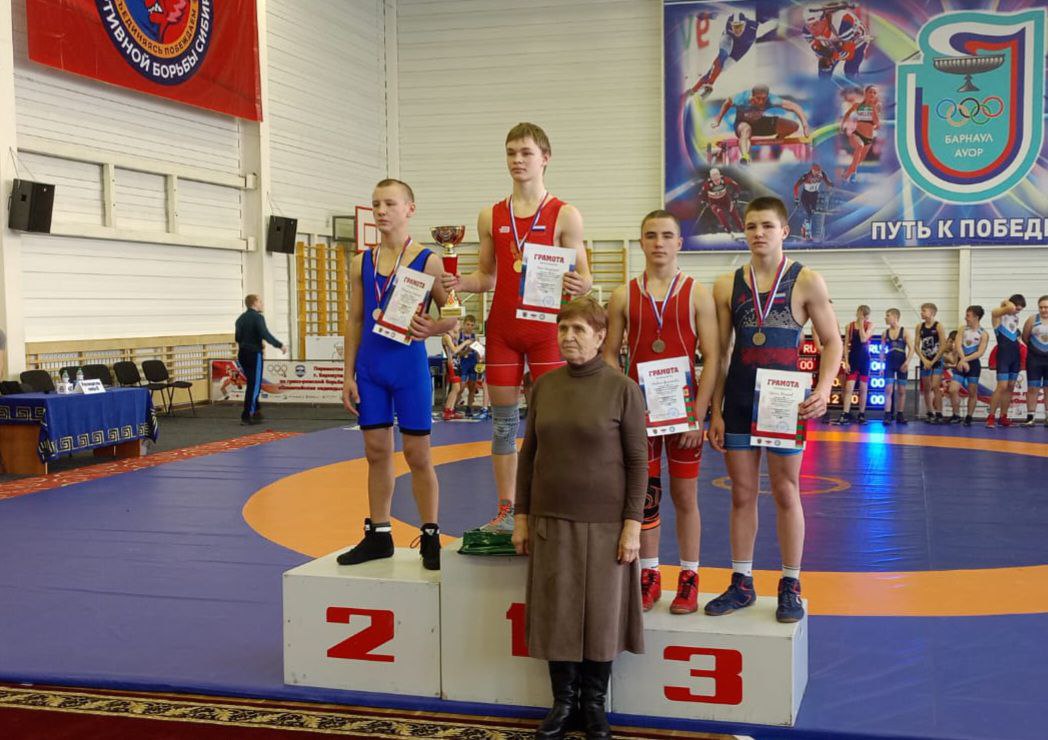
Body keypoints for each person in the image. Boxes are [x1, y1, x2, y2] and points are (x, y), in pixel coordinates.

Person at [443, 122, 591, 534]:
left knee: (553, 425)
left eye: (526, 152)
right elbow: (487, 277)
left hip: (546, 332)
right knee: (504, 426)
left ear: (545, 158)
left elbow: (585, 276)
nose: (517, 160)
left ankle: (553, 505)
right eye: (511, 153)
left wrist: (582, 284)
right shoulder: (490, 215)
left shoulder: (565, 213)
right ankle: (507, 510)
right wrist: (460, 283)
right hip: (504, 331)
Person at [513, 296, 646, 740]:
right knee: (558, 614)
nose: (568, 337)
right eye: (563, 328)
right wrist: (521, 516)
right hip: (550, 520)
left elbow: (639, 464)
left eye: (578, 330)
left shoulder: (623, 389)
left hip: (608, 525)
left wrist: (632, 526)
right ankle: (563, 703)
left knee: (602, 617)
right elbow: (528, 456)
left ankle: (593, 705)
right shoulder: (544, 387)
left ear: (600, 336)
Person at [708, 196, 842, 623]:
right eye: (751, 226)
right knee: (742, 494)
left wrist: (824, 387)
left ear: (784, 231)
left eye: (767, 226)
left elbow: (832, 342)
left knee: (786, 491)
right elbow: (721, 353)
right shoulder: (727, 285)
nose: (758, 233)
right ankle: (742, 582)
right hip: (739, 400)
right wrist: (715, 410)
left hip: (785, 402)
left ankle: (790, 583)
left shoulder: (807, 281)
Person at [339, 179, 458, 571]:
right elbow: (356, 319)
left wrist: (433, 328)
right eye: (376, 204)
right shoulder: (362, 261)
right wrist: (347, 374)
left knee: (417, 454)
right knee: (375, 453)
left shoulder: (428, 261)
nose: (381, 211)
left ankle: (430, 535)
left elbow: (455, 315)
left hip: (408, 368)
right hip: (371, 368)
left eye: (390, 203)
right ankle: (379, 534)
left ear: (410, 208)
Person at [604, 210, 719, 616]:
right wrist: (628, 402)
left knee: (686, 496)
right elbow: (609, 354)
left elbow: (713, 357)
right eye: (651, 235)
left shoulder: (697, 294)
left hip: (684, 415)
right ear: (641, 241)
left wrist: (699, 415)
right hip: (641, 416)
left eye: (667, 235)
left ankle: (689, 575)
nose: (659, 242)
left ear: (679, 243)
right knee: (645, 497)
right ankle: (650, 573)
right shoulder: (622, 295)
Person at [711, 85, 810, 165]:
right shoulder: (742, 98)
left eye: (764, 98)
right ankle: (745, 157)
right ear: (752, 95)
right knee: (746, 129)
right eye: (758, 98)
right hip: (742, 125)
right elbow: (727, 103)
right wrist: (718, 119)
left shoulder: (771, 99)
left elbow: (794, 106)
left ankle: (779, 137)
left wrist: (805, 125)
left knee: (794, 126)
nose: (761, 101)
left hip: (760, 124)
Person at [234, 294, 287, 425]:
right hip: (254, 354)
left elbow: (237, 338)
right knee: (255, 385)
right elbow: (265, 334)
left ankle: (256, 411)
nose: (262, 304)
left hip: (242, 354)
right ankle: (247, 415)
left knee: (252, 383)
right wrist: (279, 345)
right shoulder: (258, 318)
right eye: (260, 302)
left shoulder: (240, 319)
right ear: (254, 303)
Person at [685, 11, 758, 100]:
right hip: (729, 38)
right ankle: (708, 86)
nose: (737, 30)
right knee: (722, 56)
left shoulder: (755, 28)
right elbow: (714, 15)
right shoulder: (727, 20)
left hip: (740, 49)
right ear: (731, 24)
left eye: (740, 26)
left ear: (745, 24)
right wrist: (705, 16)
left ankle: (694, 90)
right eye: (735, 26)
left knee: (717, 70)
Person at [986, 294, 1026, 429]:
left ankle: (1003, 416)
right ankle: (991, 416)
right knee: (1002, 386)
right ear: (1011, 305)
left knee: (1010, 386)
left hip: (1015, 355)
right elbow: (997, 310)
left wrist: (1012, 308)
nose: (1017, 311)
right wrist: (1007, 302)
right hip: (1003, 356)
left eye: (1019, 310)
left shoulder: (1015, 318)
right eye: (1016, 308)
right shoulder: (998, 316)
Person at [804, 4, 870, 78]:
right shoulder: (807, 32)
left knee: (850, 70)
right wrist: (823, 55)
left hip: (857, 41)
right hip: (836, 38)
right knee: (824, 71)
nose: (812, 30)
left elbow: (849, 55)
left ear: (823, 20)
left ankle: (856, 81)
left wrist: (831, 54)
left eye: (815, 24)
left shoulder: (843, 22)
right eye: (808, 26)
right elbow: (818, 51)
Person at [949, 306, 988, 427]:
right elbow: (958, 345)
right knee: (952, 389)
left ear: (976, 317)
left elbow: (980, 352)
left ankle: (969, 417)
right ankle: (956, 415)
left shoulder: (983, 334)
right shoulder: (962, 329)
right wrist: (962, 359)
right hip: (961, 361)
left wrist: (965, 360)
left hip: (973, 364)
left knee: (972, 392)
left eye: (968, 315)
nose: (966, 318)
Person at [835, 305, 872, 424]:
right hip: (853, 359)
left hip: (865, 360)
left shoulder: (870, 325)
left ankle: (861, 414)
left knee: (863, 388)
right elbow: (846, 345)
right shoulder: (849, 326)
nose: (864, 317)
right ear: (858, 313)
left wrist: (861, 324)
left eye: (865, 316)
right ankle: (845, 413)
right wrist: (846, 362)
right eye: (862, 314)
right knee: (849, 388)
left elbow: (863, 339)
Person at [880, 308, 913, 425]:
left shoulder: (904, 332)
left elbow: (912, 349)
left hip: (901, 364)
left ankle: (900, 414)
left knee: (901, 390)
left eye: (888, 315)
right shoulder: (885, 333)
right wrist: (881, 366)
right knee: (888, 389)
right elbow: (882, 351)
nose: (885, 317)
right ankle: (887, 415)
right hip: (889, 363)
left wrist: (907, 363)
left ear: (895, 317)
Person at [840, 85, 880, 182]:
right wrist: (843, 125)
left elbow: (876, 123)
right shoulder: (855, 106)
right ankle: (850, 174)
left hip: (868, 137)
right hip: (856, 135)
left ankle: (848, 174)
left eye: (874, 93)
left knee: (859, 160)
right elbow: (847, 115)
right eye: (870, 92)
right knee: (859, 147)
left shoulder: (874, 107)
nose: (872, 94)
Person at [916, 303, 947, 424]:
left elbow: (943, 346)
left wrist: (932, 361)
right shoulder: (920, 326)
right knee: (926, 387)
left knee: (935, 386)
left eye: (924, 311)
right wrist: (924, 360)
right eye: (921, 310)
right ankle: (930, 412)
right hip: (925, 359)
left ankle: (939, 413)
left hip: (937, 359)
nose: (922, 313)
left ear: (932, 313)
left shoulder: (938, 326)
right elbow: (916, 346)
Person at [1021, 295, 1048, 427]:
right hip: (1034, 359)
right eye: (1041, 307)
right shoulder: (1032, 319)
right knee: (1033, 388)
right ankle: (1030, 417)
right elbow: (1025, 337)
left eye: (1046, 307)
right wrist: (1036, 349)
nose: (1043, 310)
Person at [792, 163, 833, 240]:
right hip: (806, 196)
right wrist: (796, 198)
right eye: (816, 172)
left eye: (819, 171)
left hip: (814, 195)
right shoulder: (806, 176)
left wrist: (832, 185)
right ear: (812, 170)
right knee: (809, 213)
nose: (818, 174)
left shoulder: (822, 174)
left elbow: (827, 182)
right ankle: (807, 234)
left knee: (812, 213)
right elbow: (795, 187)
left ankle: (804, 227)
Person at [455, 314, 484, 418]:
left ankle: (469, 408)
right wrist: (467, 350)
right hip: (462, 362)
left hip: (472, 363)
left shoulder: (475, 337)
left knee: (472, 387)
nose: (469, 327)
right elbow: (457, 352)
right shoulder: (458, 335)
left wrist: (480, 360)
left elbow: (479, 352)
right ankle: (453, 407)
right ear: (464, 324)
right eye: (468, 324)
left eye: (472, 325)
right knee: (460, 388)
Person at [700, 168, 745, 234]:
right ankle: (728, 229)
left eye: (717, 177)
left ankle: (742, 229)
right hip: (714, 202)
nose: (716, 180)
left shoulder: (724, 179)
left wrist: (736, 194)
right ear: (711, 178)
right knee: (719, 212)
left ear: (720, 175)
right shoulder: (707, 184)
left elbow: (736, 185)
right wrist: (703, 201)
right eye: (714, 178)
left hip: (725, 200)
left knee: (733, 211)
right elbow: (701, 194)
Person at [441, 329, 464, 421]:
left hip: (456, 363)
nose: (459, 326)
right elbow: (454, 350)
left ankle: (451, 410)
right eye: (457, 324)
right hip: (451, 364)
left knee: (457, 389)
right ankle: (447, 411)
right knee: (456, 388)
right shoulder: (446, 336)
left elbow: (458, 353)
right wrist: (465, 343)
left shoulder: (454, 336)